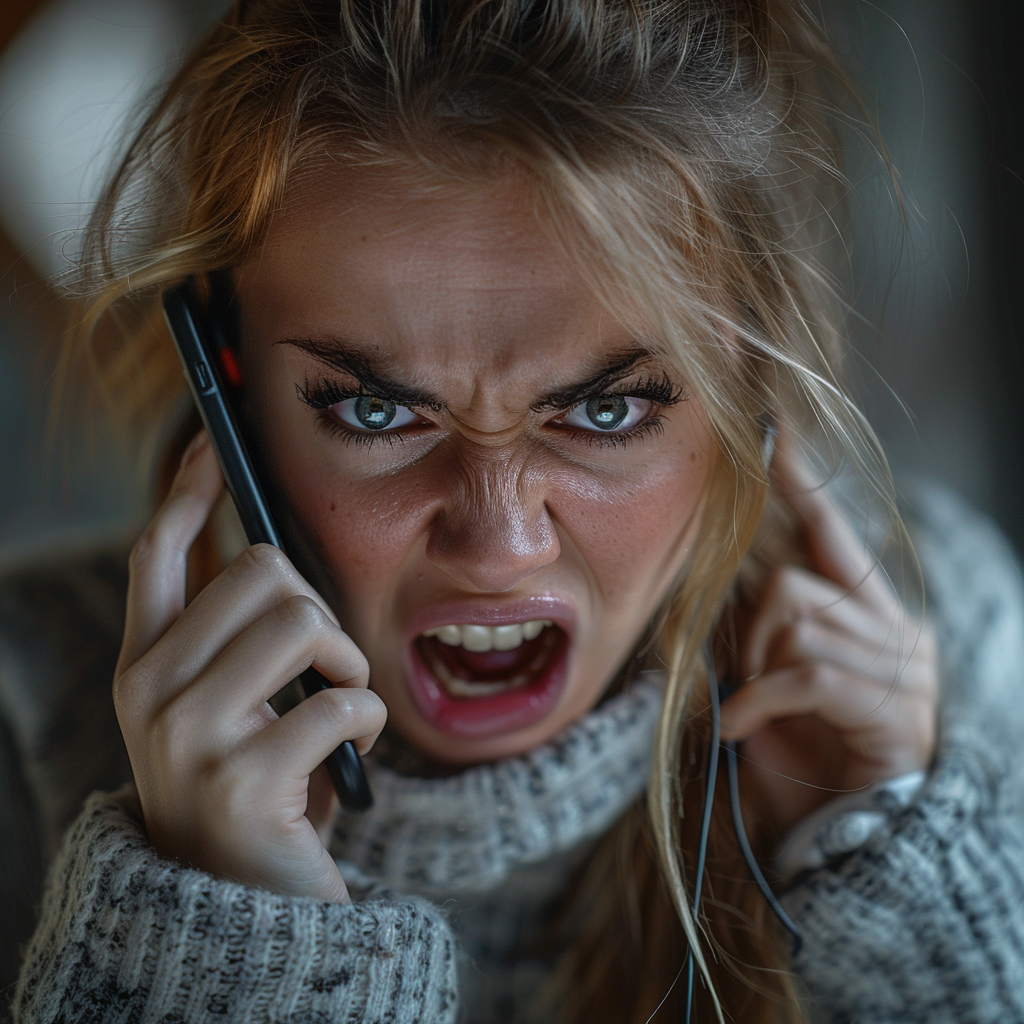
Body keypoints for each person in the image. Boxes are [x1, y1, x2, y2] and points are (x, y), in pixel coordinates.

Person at [3, 0, 1023, 1021]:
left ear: (747, 381)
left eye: (607, 408)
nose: (497, 545)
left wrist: (902, 890)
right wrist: (217, 947)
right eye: (373, 408)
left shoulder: (945, 651)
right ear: (225, 389)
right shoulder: (22, 716)